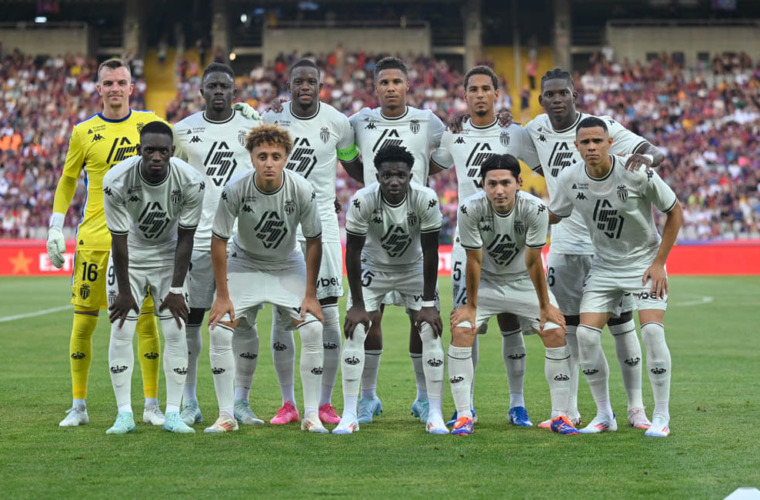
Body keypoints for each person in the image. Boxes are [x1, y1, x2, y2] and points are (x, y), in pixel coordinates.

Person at [523, 68, 665, 430]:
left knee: (622, 326)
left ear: (574, 96)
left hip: (608, 249)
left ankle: (635, 408)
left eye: (563, 93)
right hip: (565, 246)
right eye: (550, 95)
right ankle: (569, 410)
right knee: (569, 330)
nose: (557, 100)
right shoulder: (534, 129)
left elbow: (653, 150)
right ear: (541, 100)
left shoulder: (601, 127)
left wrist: (646, 160)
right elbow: (502, 140)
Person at [48, 58, 165, 427]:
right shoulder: (83, 132)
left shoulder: (149, 124)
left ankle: (150, 405)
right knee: (84, 324)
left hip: (141, 243)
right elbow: (68, 180)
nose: (115, 88)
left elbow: (188, 148)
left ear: (132, 87)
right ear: (98, 89)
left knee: (146, 324)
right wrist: (55, 226)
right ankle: (78, 406)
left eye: (122, 82)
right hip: (95, 241)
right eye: (108, 83)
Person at [548, 117, 682, 437]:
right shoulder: (570, 178)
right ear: (576, 146)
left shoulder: (637, 172)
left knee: (650, 333)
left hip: (644, 265)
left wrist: (660, 263)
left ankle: (660, 416)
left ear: (610, 143)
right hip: (605, 268)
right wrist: (519, 210)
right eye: (585, 142)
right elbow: (554, 213)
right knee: (585, 336)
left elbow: (675, 211)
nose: (591, 147)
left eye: (597, 141)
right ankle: (604, 413)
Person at [431, 65, 540, 427]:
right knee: (467, 323)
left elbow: (545, 168)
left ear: (497, 94)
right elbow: (427, 166)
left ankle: (517, 404)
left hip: (512, 244)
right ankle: (467, 406)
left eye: (485, 88)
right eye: (472, 89)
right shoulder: (453, 135)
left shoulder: (514, 132)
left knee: (511, 321)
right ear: (465, 96)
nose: (479, 94)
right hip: (469, 244)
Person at [207, 124, 327, 434]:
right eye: (262, 156)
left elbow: (314, 240)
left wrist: (311, 294)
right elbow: (218, 240)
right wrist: (222, 295)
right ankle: (225, 416)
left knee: (313, 328)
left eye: (276, 156)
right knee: (220, 330)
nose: (269, 163)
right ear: (251, 158)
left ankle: (311, 415)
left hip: (287, 264)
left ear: (287, 157)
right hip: (245, 263)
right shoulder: (235, 189)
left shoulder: (301, 189)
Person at [262, 58, 363, 426]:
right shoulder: (272, 119)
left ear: (321, 86)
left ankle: (324, 402)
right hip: (279, 220)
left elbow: (353, 166)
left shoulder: (338, 122)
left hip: (322, 221)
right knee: (282, 313)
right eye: (298, 81)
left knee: (330, 312)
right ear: (288, 85)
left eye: (311, 81)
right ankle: (288, 403)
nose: (305, 86)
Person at [447, 154, 576, 436]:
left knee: (554, 330)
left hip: (522, 281)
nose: (499, 190)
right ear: (482, 184)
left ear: (518, 182)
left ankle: (560, 416)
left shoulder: (536, 209)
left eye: (506, 182)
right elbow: (474, 260)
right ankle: (464, 416)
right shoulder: (470, 209)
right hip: (487, 283)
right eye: (492, 183)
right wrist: (470, 306)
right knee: (462, 329)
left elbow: (533, 261)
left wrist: (545, 306)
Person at [349, 56, 446, 424]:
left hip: (414, 220)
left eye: (397, 82)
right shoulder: (360, 120)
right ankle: (368, 398)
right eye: (384, 82)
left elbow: (448, 150)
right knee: (370, 317)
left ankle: (424, 399)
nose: (391, 88)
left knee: (418, 319)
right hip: (375, 222)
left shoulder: (427, 121)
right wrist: (367, 181)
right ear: (375, 87)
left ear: (408, 86)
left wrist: (417, 175)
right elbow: (345, 151)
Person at [172, 62, 264, 428]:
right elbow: (172, 182)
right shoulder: (183, 131)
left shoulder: (252, 129)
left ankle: (241, 402)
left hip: (243, 239)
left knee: (242, 322)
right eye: (212, 86)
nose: (219, 92)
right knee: (191, 321)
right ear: (202, 92)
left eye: (225, 86)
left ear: (235, 93)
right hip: (197, 239)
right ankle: (190, 401)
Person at [333, 145, 446, 435]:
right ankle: (351, 411)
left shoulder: (426, 199)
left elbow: (432, 252)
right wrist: (357, 303)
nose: (393, 181)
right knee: (357, 329)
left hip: (414, 269)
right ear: (377, 176)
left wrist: (429, 301)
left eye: (400, 175)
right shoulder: (362, 200)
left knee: (429, 330)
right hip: (375, 268)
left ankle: (432, 409)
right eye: (387, 175)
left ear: (410, 175)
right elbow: (353, 253)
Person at [102, 121, 205, 434]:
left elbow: (186, 237)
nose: (157, 156)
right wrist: (123, 290)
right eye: (150, 150)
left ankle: (173, 414)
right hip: (129, 258)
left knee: (176, 331)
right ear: (139, 151)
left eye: (163, 150)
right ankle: (124, 414)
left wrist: (176, 288)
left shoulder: (191, 181)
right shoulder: (116, 180)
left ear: (172, 152)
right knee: (121, 329)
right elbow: (118, 239)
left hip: (168, 257)